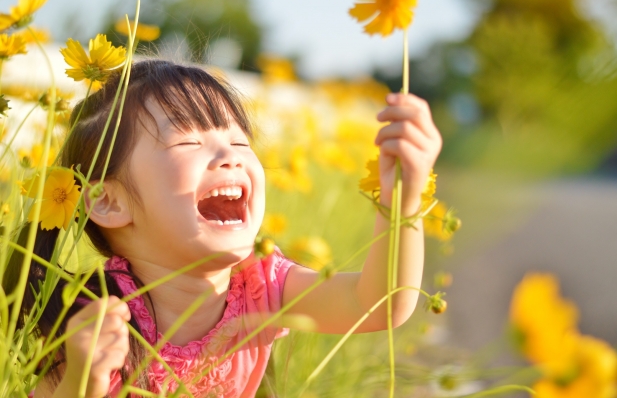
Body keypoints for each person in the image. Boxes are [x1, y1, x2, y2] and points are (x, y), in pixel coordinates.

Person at [14, 59, 441, 397]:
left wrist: (404, 199)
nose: (231, 156)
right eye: (188, 141)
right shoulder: (96, 321)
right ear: (108, 201)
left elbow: (379, 304)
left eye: (239, 142)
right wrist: (79, 387)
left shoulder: (260, 288)